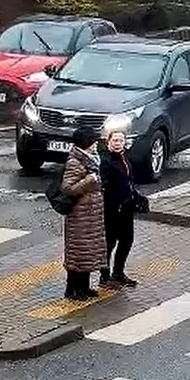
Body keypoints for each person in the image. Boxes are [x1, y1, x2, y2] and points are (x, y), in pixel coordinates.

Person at [61, 126, 107, 300]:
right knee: (78, 253)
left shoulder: (91, 159)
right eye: (94, 141)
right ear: (87, 143)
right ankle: (73, 289)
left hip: (90, 216)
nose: (96, 144)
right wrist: (90, 180)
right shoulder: (75, 162)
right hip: (80, 216)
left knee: (88, 252)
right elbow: (68, 188)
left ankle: (84, 287)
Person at [98, 122, 140, 290]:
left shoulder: (124, 157)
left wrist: (135, 195)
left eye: (120, 140)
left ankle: (118, 272)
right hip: (113, 208)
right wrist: (116, 201)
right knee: (110, 242)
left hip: (126, 206)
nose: (117, 143)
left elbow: (127, 180)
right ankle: (104, 276)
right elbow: (105, 186)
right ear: (108, 142)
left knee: (127, 240)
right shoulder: (106, 161)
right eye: (114, 140)